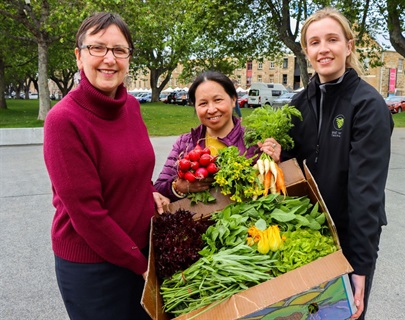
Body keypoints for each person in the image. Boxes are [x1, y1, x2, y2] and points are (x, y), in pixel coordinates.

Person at [43, 12, 169, 320]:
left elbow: (134, 167)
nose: (109, 59)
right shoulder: (63, 120)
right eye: (97, 48)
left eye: (119, 50)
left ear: (128, 57)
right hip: (94, 268)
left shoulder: (131, 106)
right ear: (79, 56)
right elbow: (87, 214)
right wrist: (142, 266)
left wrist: (148, 190)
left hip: (139, 252)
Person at [280, 7, 394, 320]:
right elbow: (287, 167)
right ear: (306, 51)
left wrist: (359, 267)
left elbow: (365, 194)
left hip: (347, 238)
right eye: (314, 42)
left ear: (349, 45)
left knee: (341, 315)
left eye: (332, 39)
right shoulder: (299, 104)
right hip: (305, 235)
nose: (324, 48)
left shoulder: (368, 106)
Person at [154, 71, 280, 201]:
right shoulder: (185, 142)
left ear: (233, 100)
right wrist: (178, 187)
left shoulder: (255, 142)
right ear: (195, 107)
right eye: (203, 103)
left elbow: (275, 192)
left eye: (218, 100)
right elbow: (159, 189)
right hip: (198, 219)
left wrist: (276, 163)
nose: (212, 109)